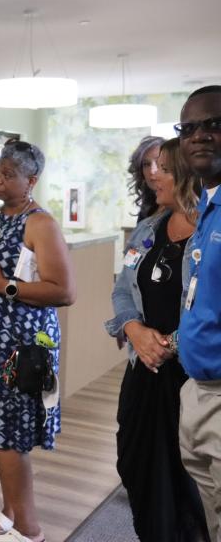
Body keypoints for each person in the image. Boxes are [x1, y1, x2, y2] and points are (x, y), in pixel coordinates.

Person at [0, 140, 75, 542]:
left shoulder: (41, 224)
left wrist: (6, 287)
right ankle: (9, 513)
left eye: (8, 175)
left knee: (11, 437)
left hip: (20, 346)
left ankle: (30, 529)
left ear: (31, 180)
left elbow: (63, 291)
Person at [105, 137, 208, 541]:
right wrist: (133, 329)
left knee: (191, 481)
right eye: (148, 167)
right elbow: (120, 291)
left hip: (192, 375)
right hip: (143, 372)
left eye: (161, 167)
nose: (151, 175)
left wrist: (171, 344)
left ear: (185, 171)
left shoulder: (211, 230)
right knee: (136, 465)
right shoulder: (148, 229)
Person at [177, 85, 221, 541]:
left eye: (214, 124)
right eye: (189, 128)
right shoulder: (208, 208)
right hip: (196, 390)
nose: (200, 136)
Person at [129, 135, 165, 222]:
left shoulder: (184, 211)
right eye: (146, 164)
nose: (152, 171)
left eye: (159, 162)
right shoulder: (146, 210)